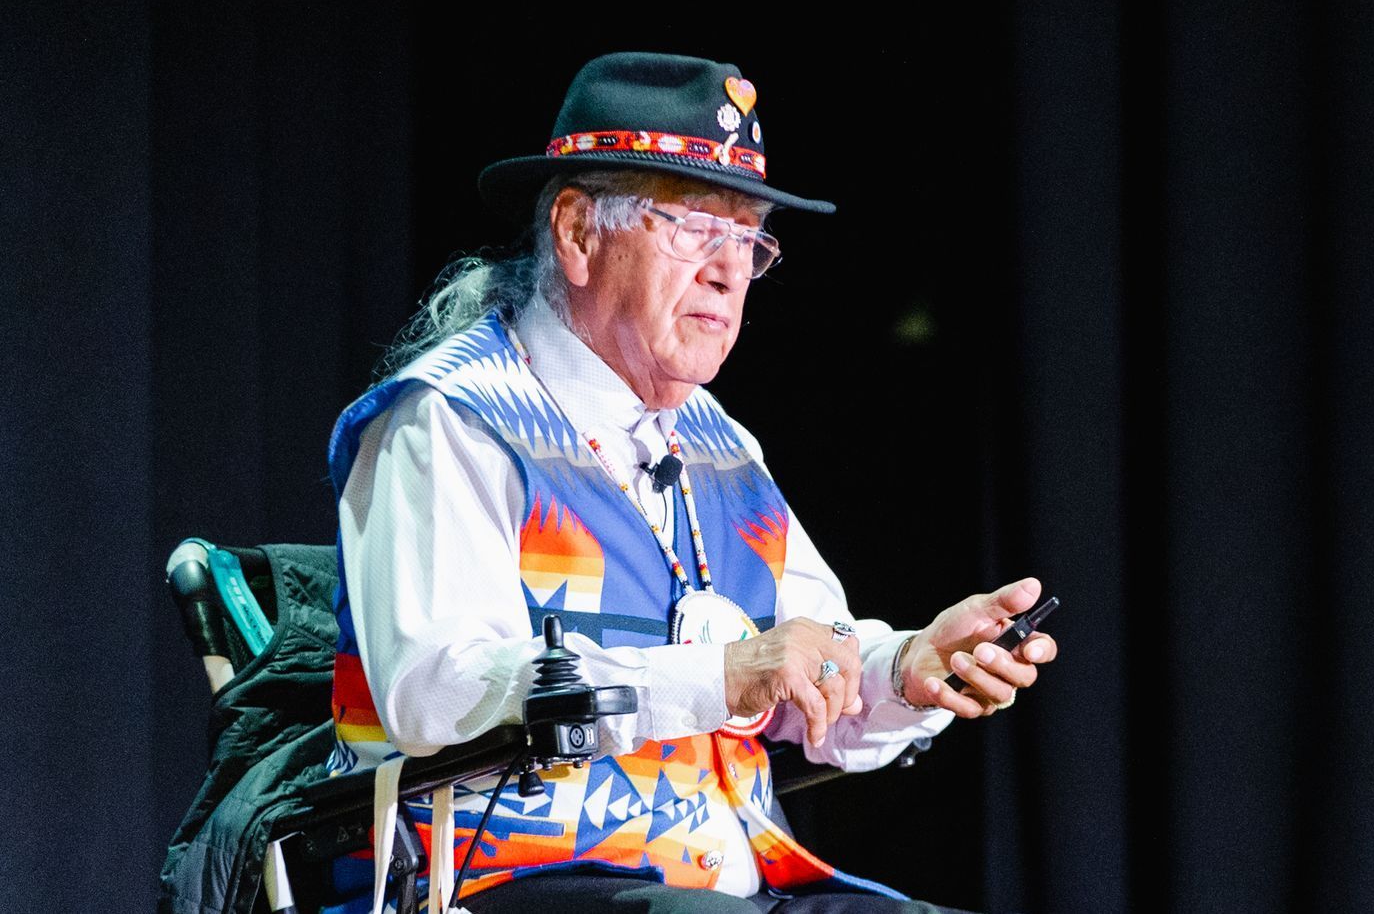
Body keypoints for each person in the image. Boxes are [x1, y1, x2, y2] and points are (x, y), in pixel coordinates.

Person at [324, 52, 1055, 914]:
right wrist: (721, 674)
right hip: (502, 880)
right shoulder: (452, 419)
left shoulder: (722, 448)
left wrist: (908, 666)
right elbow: (434, 688)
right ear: (578, 232)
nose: (728, 270)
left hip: (726, 885)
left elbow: (807, 655)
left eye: (748, 240)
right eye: (691, 228)